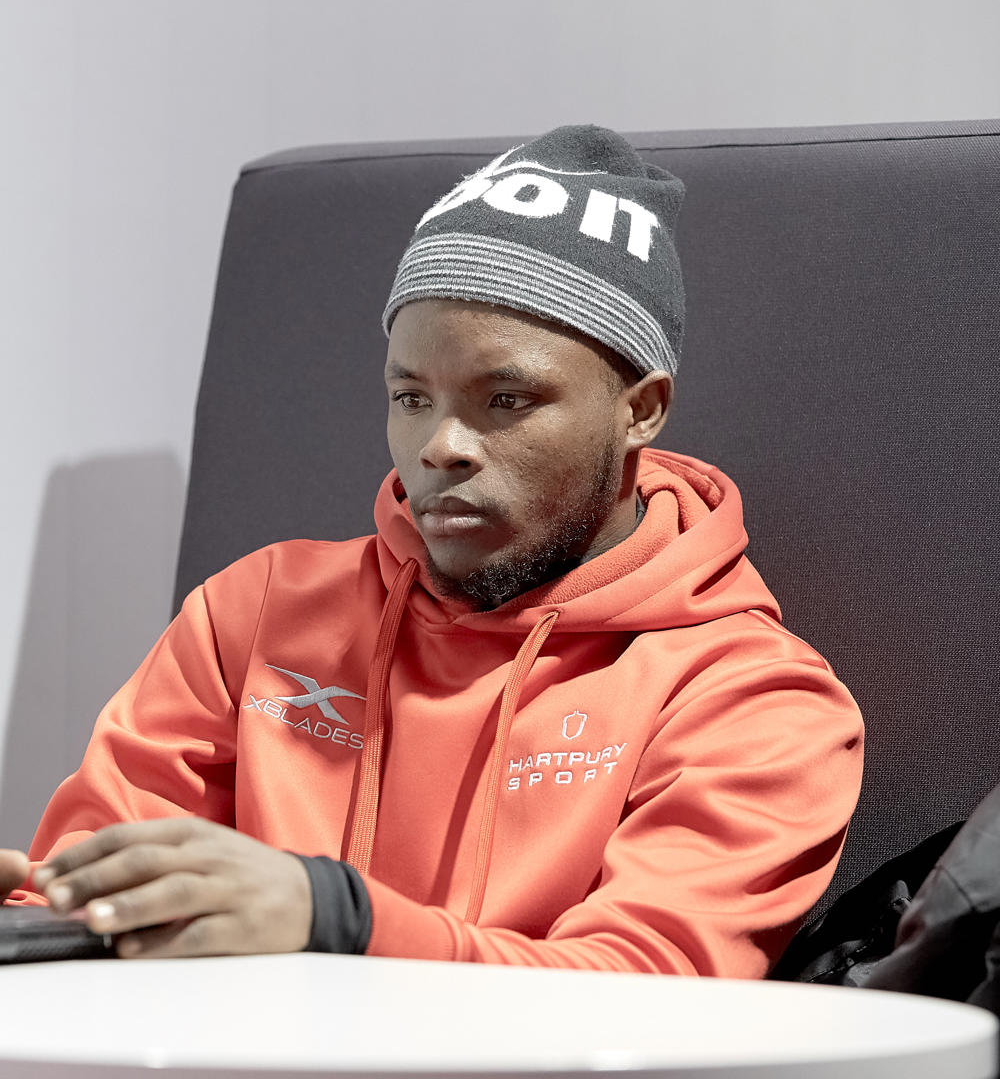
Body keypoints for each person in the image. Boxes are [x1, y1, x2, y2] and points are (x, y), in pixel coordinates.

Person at [1, 124, 863, 974]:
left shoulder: (757, 702)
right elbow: (90, 911)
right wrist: (37, 929)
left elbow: (646, 1009)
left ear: (639, 408)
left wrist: (337, 920)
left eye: (507, 398)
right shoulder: (255, 613)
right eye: (411, 398)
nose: (440, 446)